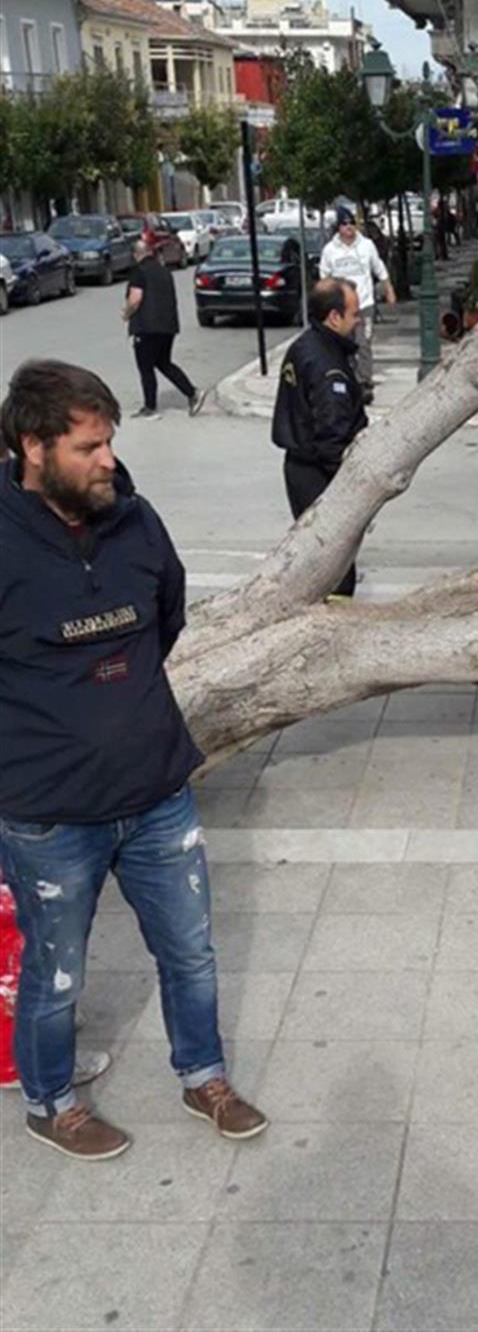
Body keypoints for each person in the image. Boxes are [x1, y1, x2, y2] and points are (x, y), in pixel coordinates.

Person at [0, 359, 267, 1161]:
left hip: (156, 791)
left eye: (109, 440)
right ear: (32, 448)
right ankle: (51, 1102)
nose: (108, 459)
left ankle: (204, 1075)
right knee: (56, 971)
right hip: (49, 813)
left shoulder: (134, 519)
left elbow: (167, 613)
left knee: (190, 949)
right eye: (88, 446)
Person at [271, 279, 368, 601]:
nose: (358, 320)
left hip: (298, 466)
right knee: (336, 567)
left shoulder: (305, 345)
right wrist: (350, 489)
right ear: (334, 317)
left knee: (314, 556)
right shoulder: (329, 368)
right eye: (353, 314)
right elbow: (332, 436)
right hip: (319, 474)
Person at [122, 239, 206, 420]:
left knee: (145, 367)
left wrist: (126, 314)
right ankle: (192, 393)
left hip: (147, 327)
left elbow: (135, 299)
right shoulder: (164, 271)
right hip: (167, 326)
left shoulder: (139, 271)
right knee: (163, 363)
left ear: (136, 254)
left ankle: (150, 407)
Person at [318, 209, 396, 401]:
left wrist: (389, 290)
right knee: (345, 345)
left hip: (364, 304)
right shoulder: (330, 250)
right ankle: (348, 380)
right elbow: (324, 277)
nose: (349, 228)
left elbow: (379, 268)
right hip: (341, 307)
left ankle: (365, 383)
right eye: (345, 224)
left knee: (363, 343)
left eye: (352, 223)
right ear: (339, 228)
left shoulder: (366, 245)